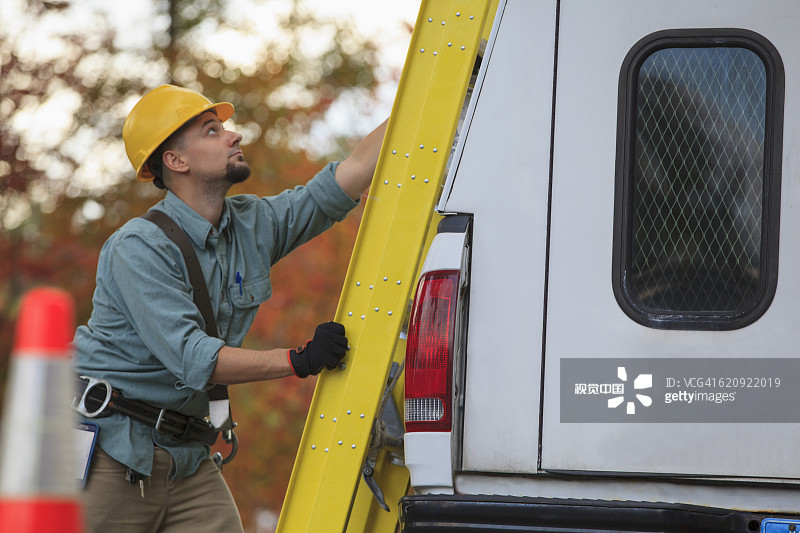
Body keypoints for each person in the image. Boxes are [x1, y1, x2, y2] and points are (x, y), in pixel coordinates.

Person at [73, 84, 386, 532]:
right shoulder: (137, 248)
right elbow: (194, 358)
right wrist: (299, 359)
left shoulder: (250, 224)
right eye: (212, 130)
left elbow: (346, 176)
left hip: (188, 456)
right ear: (176, 161)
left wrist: (425, 99)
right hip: (112, 450)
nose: (233, 135)